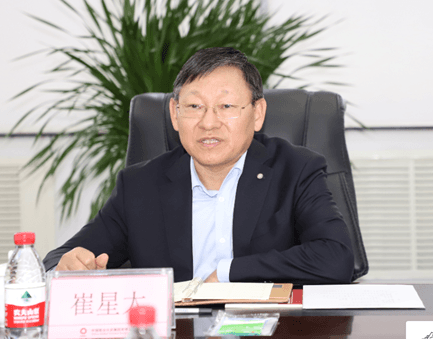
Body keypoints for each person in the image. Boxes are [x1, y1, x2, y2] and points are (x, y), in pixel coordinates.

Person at [43, 47, 354, 284]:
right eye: (194, 106)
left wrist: (228, 272)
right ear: (175, 114)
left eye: (226, 106)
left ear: (257, 113)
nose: (208, 123)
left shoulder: (295, 170)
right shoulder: (140, 186)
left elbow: (335, 257)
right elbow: (60, 258)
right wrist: (67, 265)